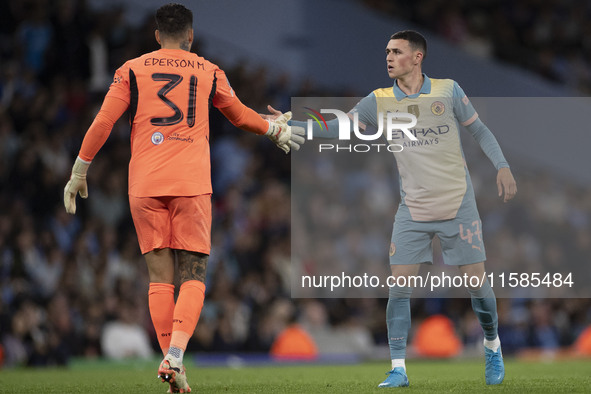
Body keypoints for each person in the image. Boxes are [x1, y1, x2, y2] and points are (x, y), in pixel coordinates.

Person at [63, 3, 297, 392]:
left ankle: (175, 368)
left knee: (159, 279)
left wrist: (79, 171)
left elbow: (103, 121)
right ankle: (175, 355)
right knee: (193, 274)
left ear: (156, 35)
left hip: (144, 183)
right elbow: (239, 115)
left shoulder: (132, 69)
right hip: (190, 183)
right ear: (191, 35)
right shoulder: (208, 70)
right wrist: (272, 128)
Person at [276, 30, 517, 387]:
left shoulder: (448, 90)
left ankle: (492, 345)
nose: (388, 57)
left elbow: (479, 130)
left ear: (417, 57)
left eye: (397, 52)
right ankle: (399, 368)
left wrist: (503, 165)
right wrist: (292, 125)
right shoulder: (379, 99)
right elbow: (341, 128)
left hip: (457, 204)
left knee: (477, 287)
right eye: (387, 51)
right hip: (413, 210)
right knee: (399, 288)